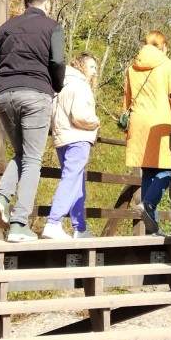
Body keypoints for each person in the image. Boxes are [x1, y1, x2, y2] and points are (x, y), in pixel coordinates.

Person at [0, 0, 65, 243]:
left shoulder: (5, 28)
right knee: (33, 160)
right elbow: (58, 62)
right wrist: (57, 86)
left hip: (5, 96)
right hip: (36, 94)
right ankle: (18, 224)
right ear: (46, 4)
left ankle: (1, 197)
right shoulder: (52, 27)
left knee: (22, 154)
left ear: (25, 3)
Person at [124, 30, 171, 235]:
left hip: (138, 123)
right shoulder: (168, 65)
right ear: (163, 46)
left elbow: (127, 99)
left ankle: (152, 229)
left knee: (149, 172)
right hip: (161, 122)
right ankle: (148, 203)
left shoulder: (132, 68)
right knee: (168, 170)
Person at [43, 53, 101, 240]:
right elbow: (80, 116)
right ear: (81, 66)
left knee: (75, 181)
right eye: (92, 67)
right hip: (78, 137)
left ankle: (80, 227)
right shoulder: (80, 84)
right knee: (71, 179)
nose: (95, 71)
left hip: (62, 137)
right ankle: (53, 222)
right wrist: (96, 121)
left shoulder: (61, 83)